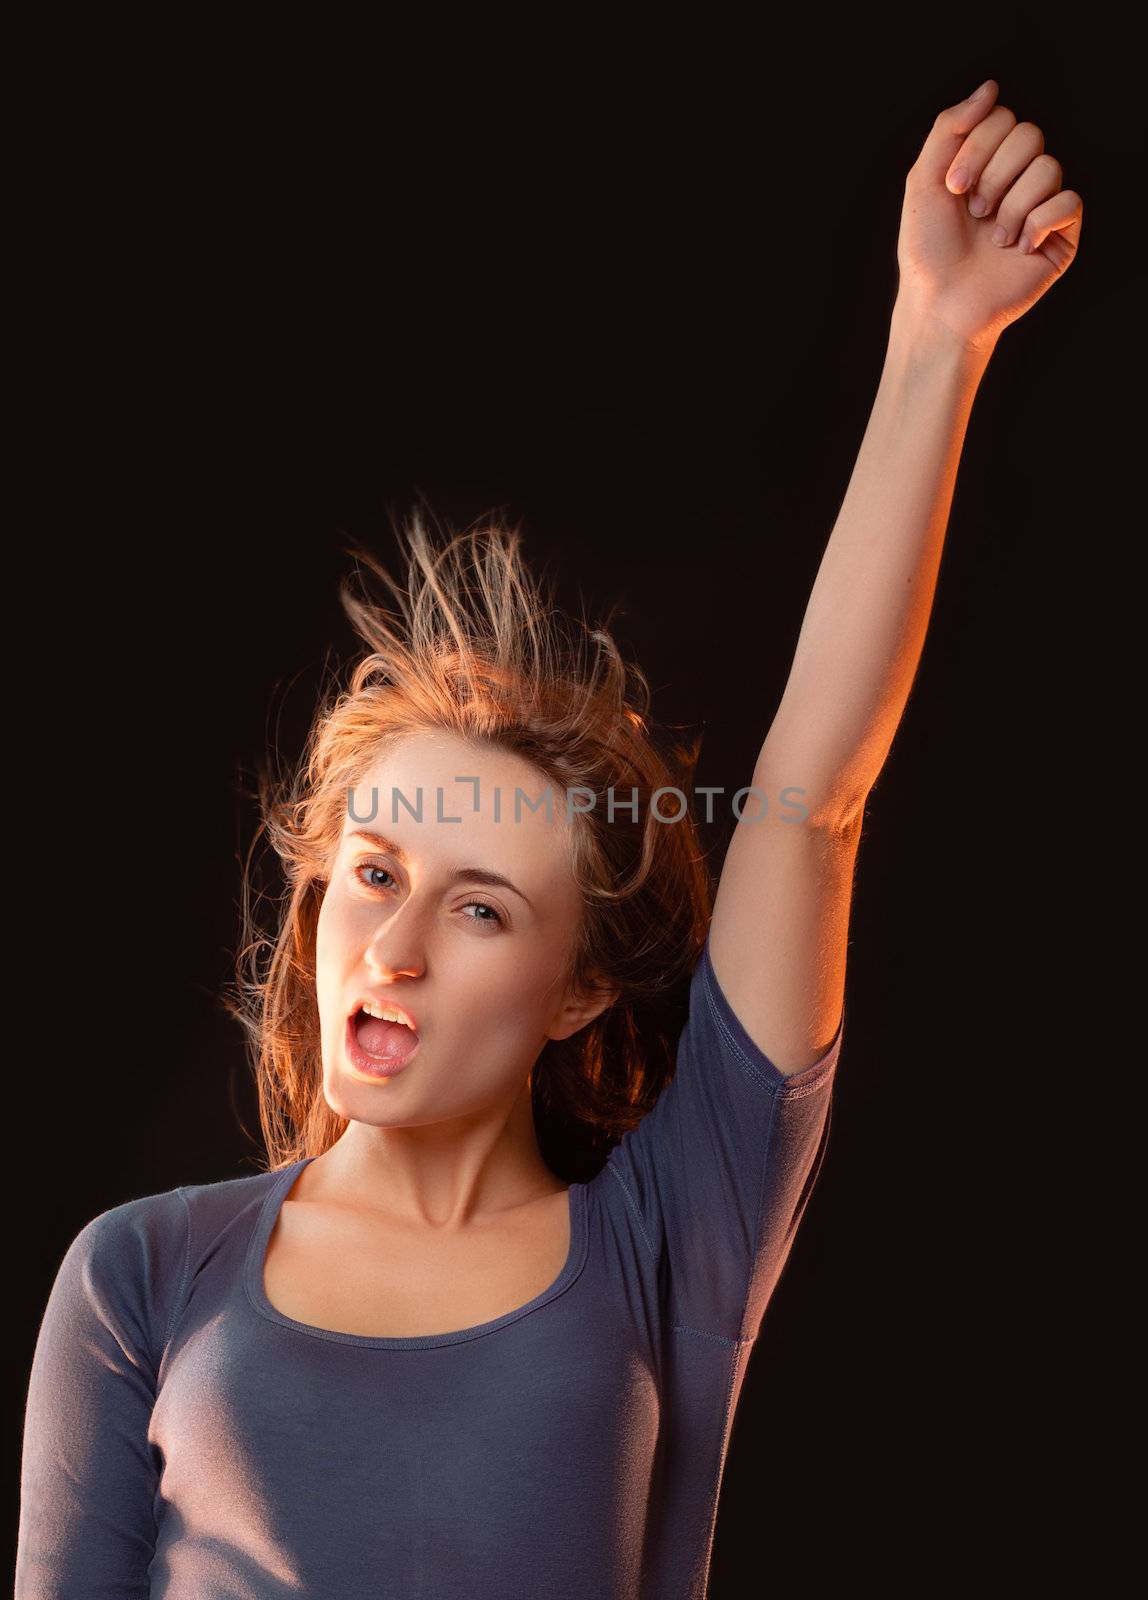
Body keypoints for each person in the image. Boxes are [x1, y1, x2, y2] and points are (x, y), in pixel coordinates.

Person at [16, 78, 1081, 1599]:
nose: (391, 947)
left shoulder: (669, 1241)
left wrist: (939, 337)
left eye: (484, 910)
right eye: (375, 877)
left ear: (579, 988)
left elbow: (815, 801)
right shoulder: (139, 1276)